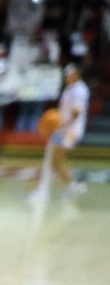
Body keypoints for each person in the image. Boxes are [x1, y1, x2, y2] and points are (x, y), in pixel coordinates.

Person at [42, 63, 92, 195]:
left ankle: (74, 187)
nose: (67, 77)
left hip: (71, 132)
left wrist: (61, 125)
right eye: (66, 75)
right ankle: (71, 186)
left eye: (69, 75)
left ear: (77, 75)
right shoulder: (69, 88)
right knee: (55, 162)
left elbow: (76, 113)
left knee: (56, 162)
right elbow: (62, 109)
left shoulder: (80, 90)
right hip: (62, 130)